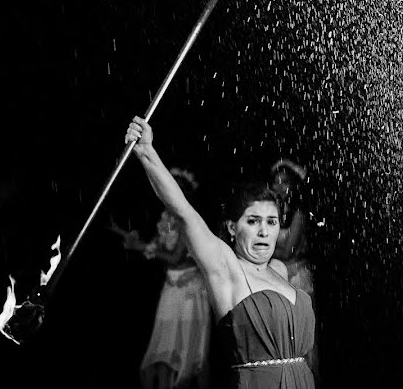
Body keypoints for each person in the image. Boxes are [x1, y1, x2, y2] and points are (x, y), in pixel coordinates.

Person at [125, 116, 316, 389]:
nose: (264, 231)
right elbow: (183, 212)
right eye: (253, 221)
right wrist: (147, 152)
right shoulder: (226, 267)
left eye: (271, 222)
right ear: (232, 227)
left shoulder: (280, 269)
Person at [114, 167, 213, 389]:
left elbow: (176, 256)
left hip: (191, 288)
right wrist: (132, 240)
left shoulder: (189, 219)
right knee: (164, 346)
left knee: (193, 350)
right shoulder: (166, 217)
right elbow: (155, 246)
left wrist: (142, 247)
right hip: (171, 285)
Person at [269, 159, 320, 382]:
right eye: (276, 182)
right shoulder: (271, 212)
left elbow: (289, 250)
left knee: (300, 334)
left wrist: (261, 253)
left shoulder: (299, 212)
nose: (280, 187)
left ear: (294, 186)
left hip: (296, 278)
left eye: (285, 182)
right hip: (275, 277)